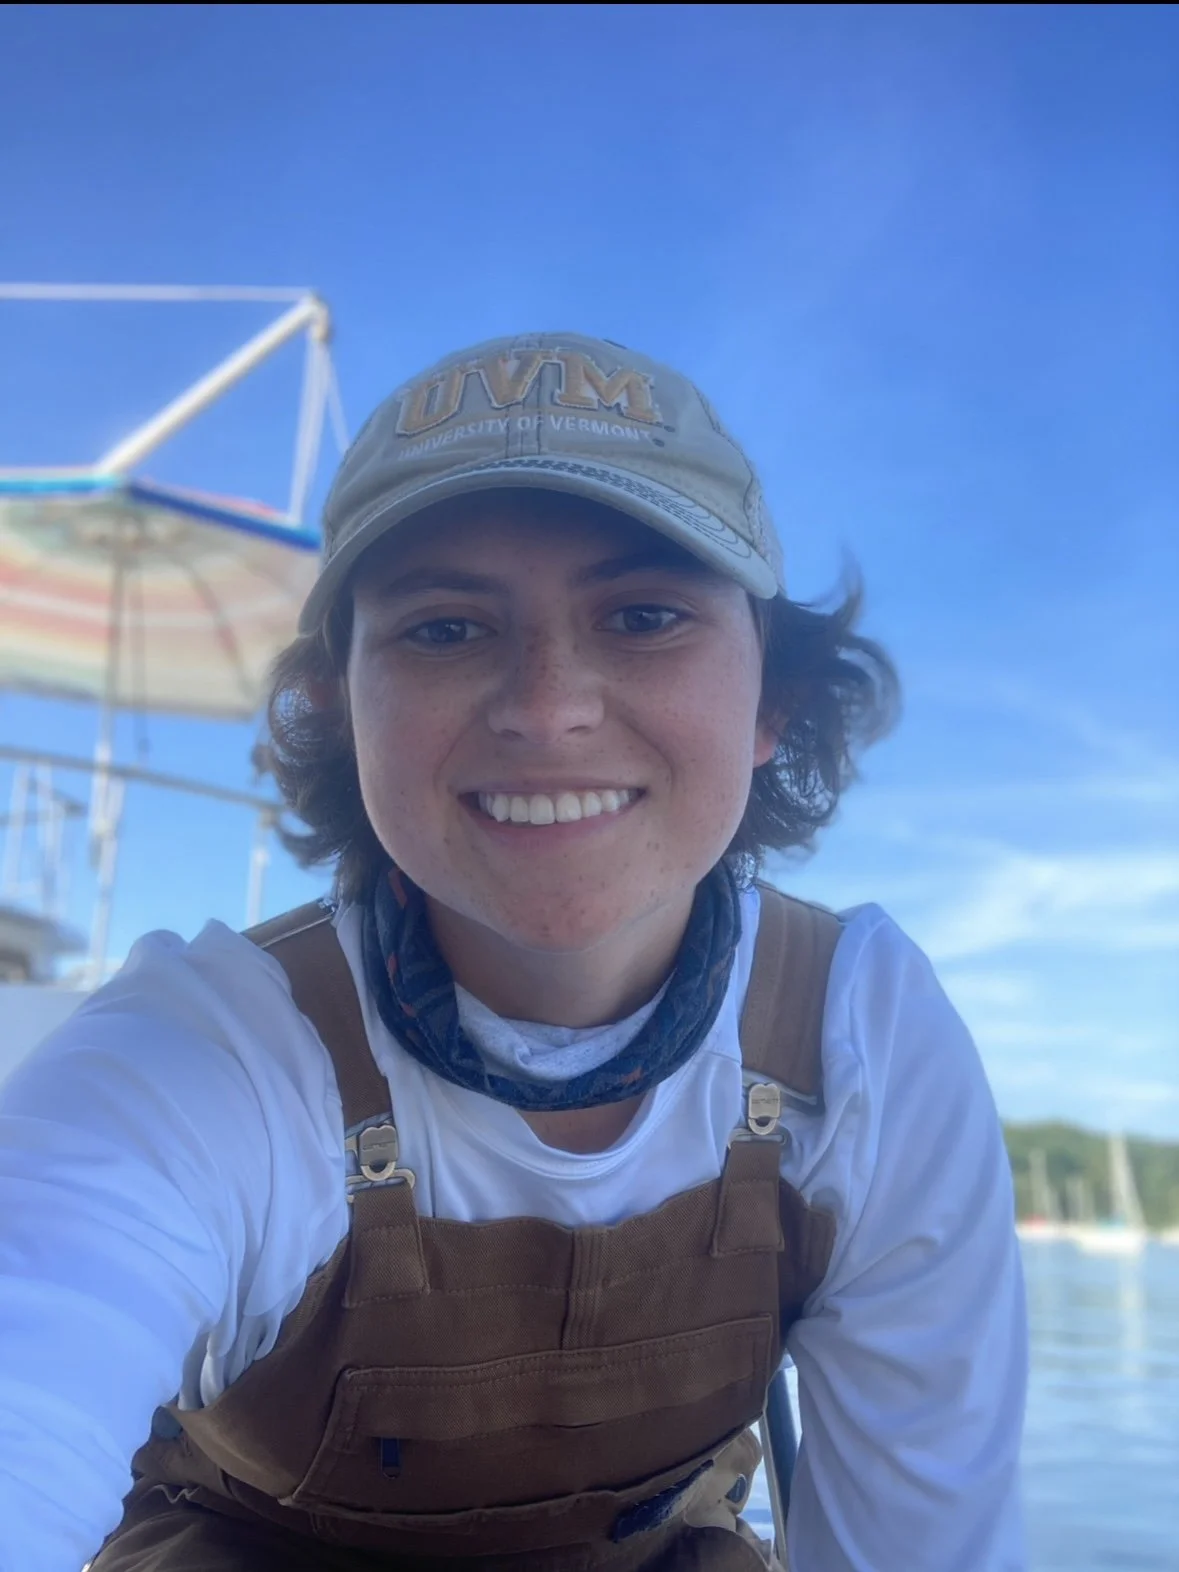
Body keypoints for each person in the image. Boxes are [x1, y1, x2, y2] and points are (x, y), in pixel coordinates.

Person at [0, 332, 1027, 1572]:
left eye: (644, 616)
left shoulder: (861, 1041)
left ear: (773, 704)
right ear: (338, 702)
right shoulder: (207, 1056)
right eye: (444, 629)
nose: (547, 709)